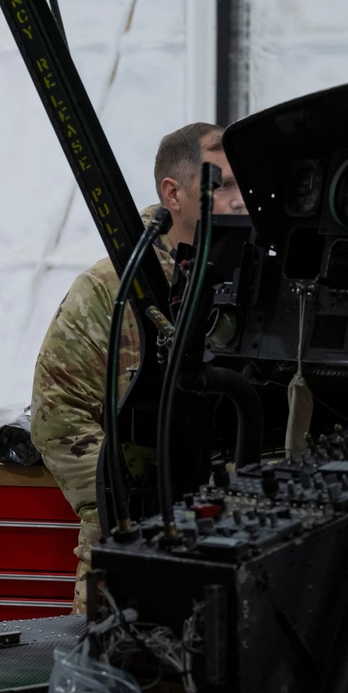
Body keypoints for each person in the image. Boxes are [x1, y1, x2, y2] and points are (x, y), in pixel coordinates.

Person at [30, 122, 246, 613]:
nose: (239, 200)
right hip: (133, 548)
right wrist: (124, 499)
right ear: (174, 193)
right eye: (225, 185)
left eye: (244, 185)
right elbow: (56, 416)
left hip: (244, 552)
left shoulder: (269, 287)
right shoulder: (115, 288)